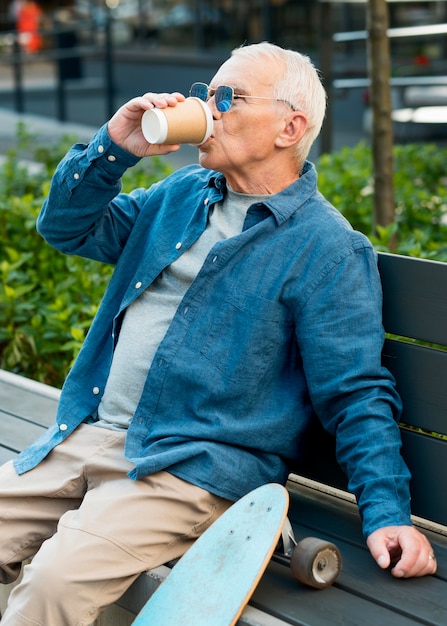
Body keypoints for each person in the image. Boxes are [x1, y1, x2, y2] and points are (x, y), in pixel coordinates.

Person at [0, 42, 436, 625]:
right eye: (208, 94)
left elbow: (356, 392)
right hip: (91, 433)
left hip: (188, 470)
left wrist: (388, 513)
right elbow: (67, 228)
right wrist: (113, 146)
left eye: (228, 97)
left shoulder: (327, 248)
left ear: (290, 127)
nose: (209, 107)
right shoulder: (183, 195)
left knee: (52, 584)